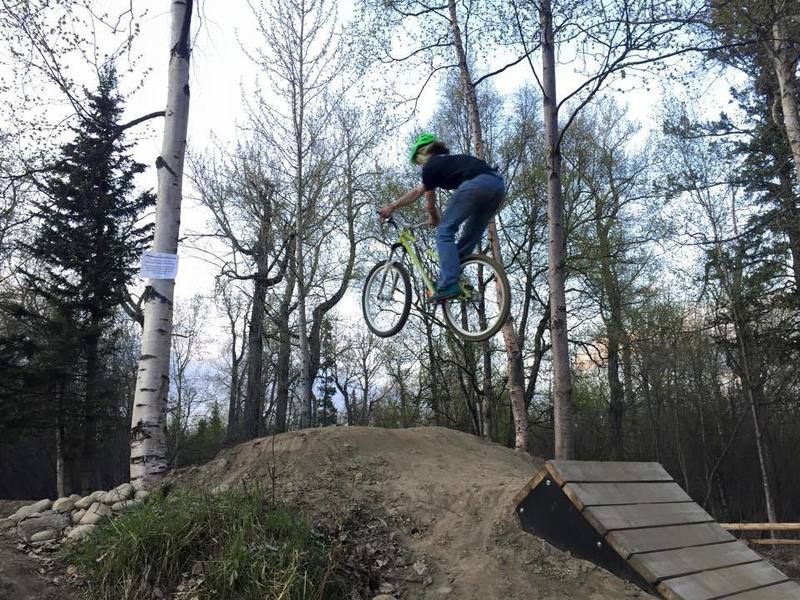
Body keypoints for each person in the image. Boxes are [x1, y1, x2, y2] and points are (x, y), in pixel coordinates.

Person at [379, 133, 505, 302]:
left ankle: (448, 285)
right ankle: (456, 279)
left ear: (423, 153)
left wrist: (395, 207)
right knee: (467, 241)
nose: (420, 166)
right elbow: (425, 192)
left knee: (444, 232)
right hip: (497, 186)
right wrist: (432, 216)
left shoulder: (431, 165)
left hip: (476, 184)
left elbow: (424, 199)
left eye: (418, 161)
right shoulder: (446, 161)